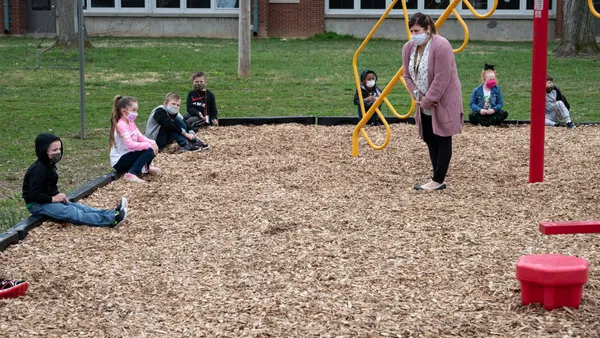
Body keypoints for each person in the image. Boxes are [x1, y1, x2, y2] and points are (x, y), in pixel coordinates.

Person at [402, 12, 463, 191]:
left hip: (443, 99)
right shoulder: (408, 48)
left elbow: (442, 77)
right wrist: (418, 96)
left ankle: (437, 179)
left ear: (427, 29)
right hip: (422, 101)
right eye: (412, 31)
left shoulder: (441, 45)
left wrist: (429, 99)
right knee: (429, 136)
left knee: (443, 136)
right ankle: (436, 176)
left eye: (417, 30)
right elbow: (407, 75)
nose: (414, 35)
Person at [22, 133, 128, 227]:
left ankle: (113, 213)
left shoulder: (49, 165)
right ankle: (111, 220)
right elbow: (33, 194)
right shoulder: (38, 170)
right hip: (37, 205)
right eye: (54, 150)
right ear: (44, 151)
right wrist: (53, 199)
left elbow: (48, 187)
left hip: (46, 200)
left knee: (81, 207)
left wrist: (58, 197)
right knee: (72, 212)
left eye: (59, 149)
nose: (58, 152)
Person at [110, 95, 161, 184]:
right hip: (119, 161)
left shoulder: (130, 122)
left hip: (128, 155)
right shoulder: (121, 125)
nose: (136, 113)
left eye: (136, 110)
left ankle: (145, 168)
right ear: (124, 112)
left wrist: (153, 142)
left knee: (151, 147)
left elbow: (140, 136)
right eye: (133, 110)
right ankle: (132, 173)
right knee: (148, 150)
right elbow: (130, 144)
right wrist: (148, 146)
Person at [145, 92, 210, 152]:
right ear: (165, 103)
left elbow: (184, 122)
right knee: (170, 125)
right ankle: (184, 144)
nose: (175, 107)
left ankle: (194, 141)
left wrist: (191, 132)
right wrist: (185, 134)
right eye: (173, 104)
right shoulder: (159, 111)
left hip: (166, 138)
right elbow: (168, 124)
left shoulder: (174, 113)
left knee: (178, 120)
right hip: (154, 141)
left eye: (178, 105)